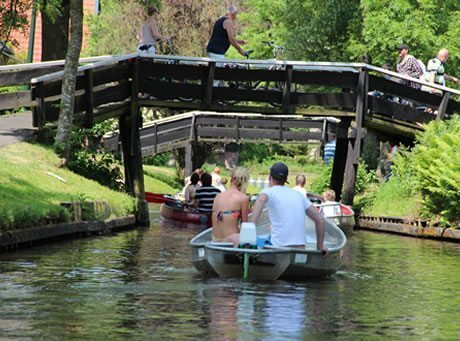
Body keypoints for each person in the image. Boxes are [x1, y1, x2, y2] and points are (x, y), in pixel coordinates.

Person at [250, 162, 328, 255]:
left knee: (234, 238)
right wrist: (320, 246)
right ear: (286, 179)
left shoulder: (268, 192)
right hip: (300, 250)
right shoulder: (298, 195)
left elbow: (261, 200)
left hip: (279, 249)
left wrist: (250, 228)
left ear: (269, 177)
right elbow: (320, 220)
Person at [211, 167, 250, 245]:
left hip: (215, 241)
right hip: (230, 243)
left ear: (231, 179)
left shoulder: (218, 196)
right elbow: (245, 226)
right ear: (244, 182)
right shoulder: (243, 198)